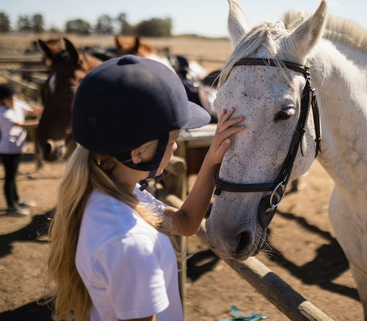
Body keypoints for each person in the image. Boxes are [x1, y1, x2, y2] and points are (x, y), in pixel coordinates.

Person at [46, 55, 244, 321]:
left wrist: (211, 160)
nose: (175, 147)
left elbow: (185, 223)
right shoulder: (130, 241)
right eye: (174, 139)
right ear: (139, 153)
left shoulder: (111, 192)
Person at [0, 83, 42, 216]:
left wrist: (48, 109)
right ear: (1, 100)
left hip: (17, 147)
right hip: (7, 150)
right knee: (9, 178)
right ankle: (10, 206)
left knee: (13, 176)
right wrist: (42, 124)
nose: (13, 99)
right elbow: (21, 125)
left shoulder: (17, 104)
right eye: (9, 98)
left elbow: (32, 111)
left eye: (13, 96)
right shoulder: (2, 114)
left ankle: (17, 200)